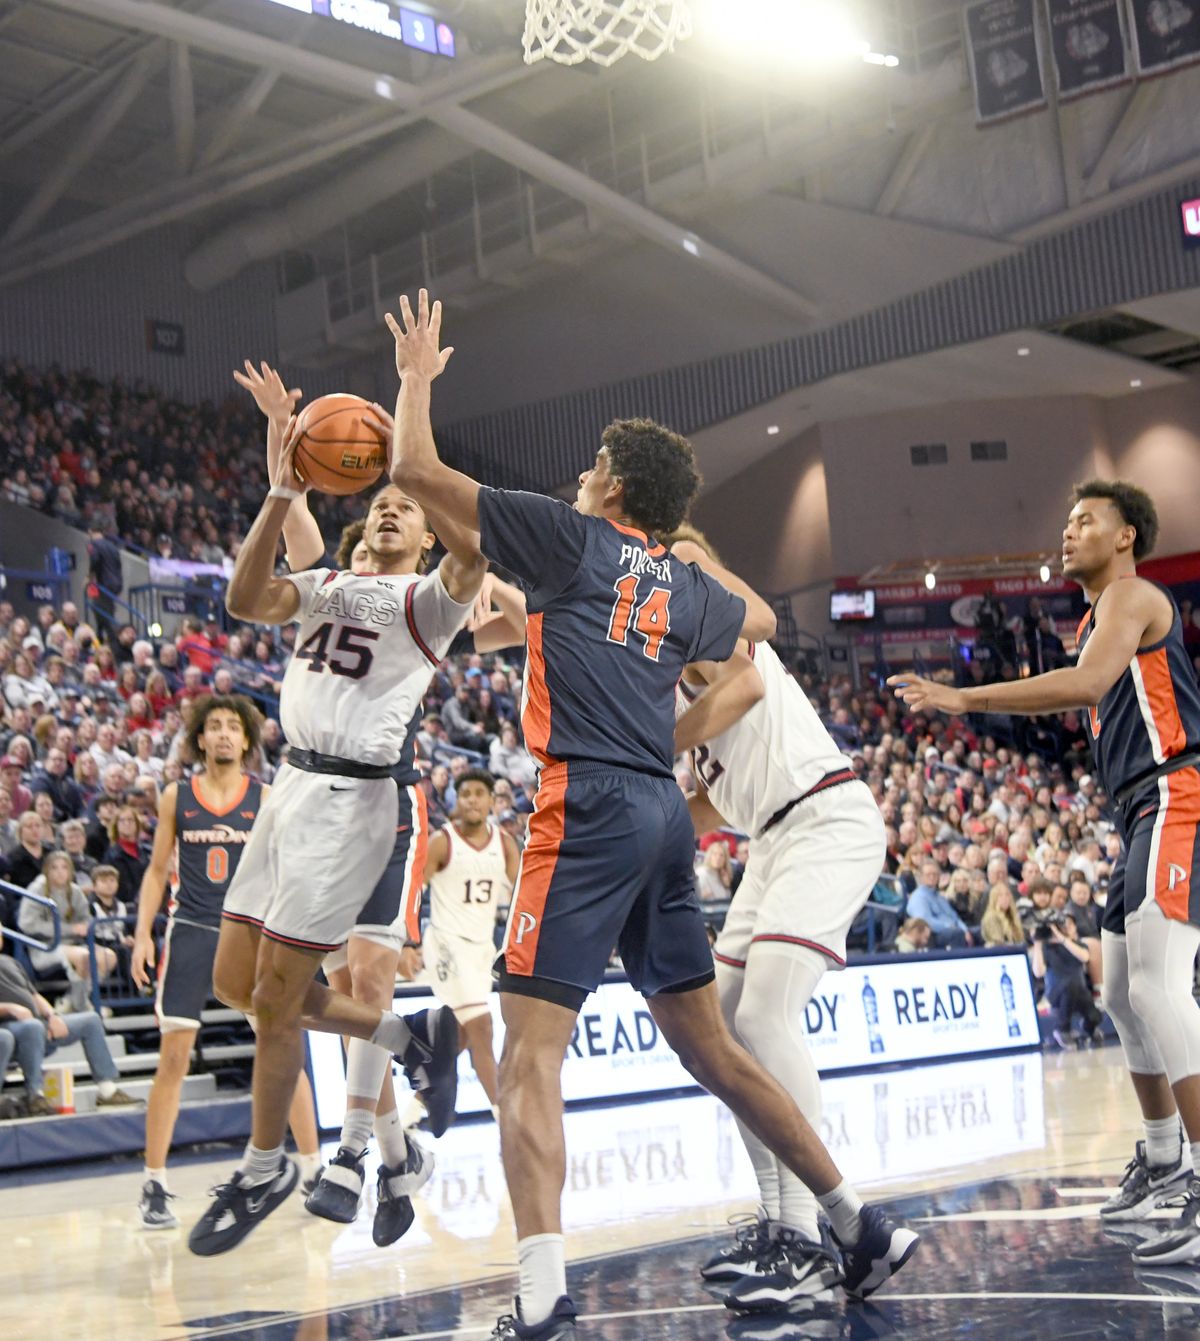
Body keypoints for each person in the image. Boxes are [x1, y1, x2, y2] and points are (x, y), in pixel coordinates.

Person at [382, 289, 913, 1340]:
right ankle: (856, 1226)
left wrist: (414, 382)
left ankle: (540, 1300)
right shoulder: (674, 580)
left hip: (585, 804)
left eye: (588, 467)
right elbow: (759, 619)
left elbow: (414, 472)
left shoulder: (572, 541)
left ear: (612, 485)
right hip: (669, 825)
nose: (577, 476)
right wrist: (676, 574)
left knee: (530, 1052)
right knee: (709, 1043)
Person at [184, 363, 483, 1259]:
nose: (388, 509)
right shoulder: (325, 584)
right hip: (290, 792)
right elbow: (245, 597)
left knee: (279, 998)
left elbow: (474, 550)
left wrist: (413, 403)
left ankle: (269, 1161)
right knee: (237, 986)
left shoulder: (428, 602)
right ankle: (412, 1035)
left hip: (355, 799)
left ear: (426, 540)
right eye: (380, 503)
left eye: (405, 507)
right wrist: (282, 477)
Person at [890, 479, 1200, 1265]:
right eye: (1065, 520)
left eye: (1085, 519)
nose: (1068, 531)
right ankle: (1165, 1160)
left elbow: (1087, 685)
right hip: (1138, 806)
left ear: (1127, 536)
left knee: (1160, 987)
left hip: (1176, 790)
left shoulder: (1132, 595)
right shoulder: (1102, 614)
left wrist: (964, 699)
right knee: (1119, 993)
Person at [666, 526, 912, 1312]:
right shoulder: (668, 665)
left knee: (765, 1012)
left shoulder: (704, 610)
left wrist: (650, 747)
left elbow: (747, 688)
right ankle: (788, 1226)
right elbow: (708, 799)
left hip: (824, 817)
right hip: (769, 840)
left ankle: (810, 1231)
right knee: (722, 1038)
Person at [129, 694, 324, 1231]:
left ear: (246, 741)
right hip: (191, 928)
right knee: (173, 1059)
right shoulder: (175, 796)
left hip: (250, 931)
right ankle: (154, 1182)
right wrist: (143, 933)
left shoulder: (265, 796)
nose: (221, 735)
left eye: (231, 728)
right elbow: (153, 870)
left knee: (282, 1045)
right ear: (198, 739)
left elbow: (289, 868)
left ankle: (313, 1169)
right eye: (212, 726)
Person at [416, 768, 520, 1112]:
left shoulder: (504, 844)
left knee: (460, 1037)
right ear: (456, 802)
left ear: (492, 801)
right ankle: (506, 1120)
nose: (472, 799)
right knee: (483, 1028)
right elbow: (413, 892)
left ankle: (409, 1115)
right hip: (446, 945)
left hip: (480, 952)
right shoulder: (442, 842)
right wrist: (409, 942)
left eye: (479, 793)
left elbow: (525, 892)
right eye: (465, 794)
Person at [0, 927, 137, 1114]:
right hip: (10, 1028)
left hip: (37, 1024)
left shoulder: (10, 962)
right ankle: (34, 1094)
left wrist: (52, 1015)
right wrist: (11, 1009)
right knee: (31, 1027)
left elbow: (34, 995)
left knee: (91, 1021)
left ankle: (108, 1091)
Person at [1031, 913, 1103, 1048]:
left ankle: (1089, 1028)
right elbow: (1038, 972)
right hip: (1057, 994)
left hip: (1080, 992)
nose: (1066, 928)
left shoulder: (1077, 945)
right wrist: (1038, 944)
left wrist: (1062, 939)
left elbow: (1085, 957)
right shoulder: (1047, 949)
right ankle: (1062, 1029)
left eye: (1069, 925)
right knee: (1069, 987)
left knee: (1094, 1015)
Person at [905, 861, 972, 949]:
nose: (932, 877)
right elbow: (925, 922)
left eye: (935, 874)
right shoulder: (918, 897)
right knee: (957, 933)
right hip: (934, 935)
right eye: (928, 874)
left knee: (978, 932)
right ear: (921, 877)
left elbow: (954, 916)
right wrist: (950, 926)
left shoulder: (940, 897)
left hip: (953, 929)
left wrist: (965, 929)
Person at [980, 882, 1025, 947]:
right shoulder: (991, 916)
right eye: (1000, 895)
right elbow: (998, 942)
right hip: (998, 952)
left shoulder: (1013, 915)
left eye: (1007, 895)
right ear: (994, 898)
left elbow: (1020, 939)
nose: (1005, 898)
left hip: (1015, 950)